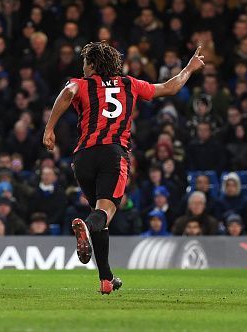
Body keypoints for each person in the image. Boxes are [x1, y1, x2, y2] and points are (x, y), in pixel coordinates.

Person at [43, 41, 204, 295]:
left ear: (93, 64)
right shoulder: (130, 84)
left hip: (83, 157)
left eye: (85, 63)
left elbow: (67, 93)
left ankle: (106, 279)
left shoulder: (83, 84)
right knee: (103, 212)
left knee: (99, 215)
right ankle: (87, 227)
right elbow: (170, 87)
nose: (83, 67)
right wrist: (190, 68)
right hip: (113, 154)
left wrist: (49, 128)